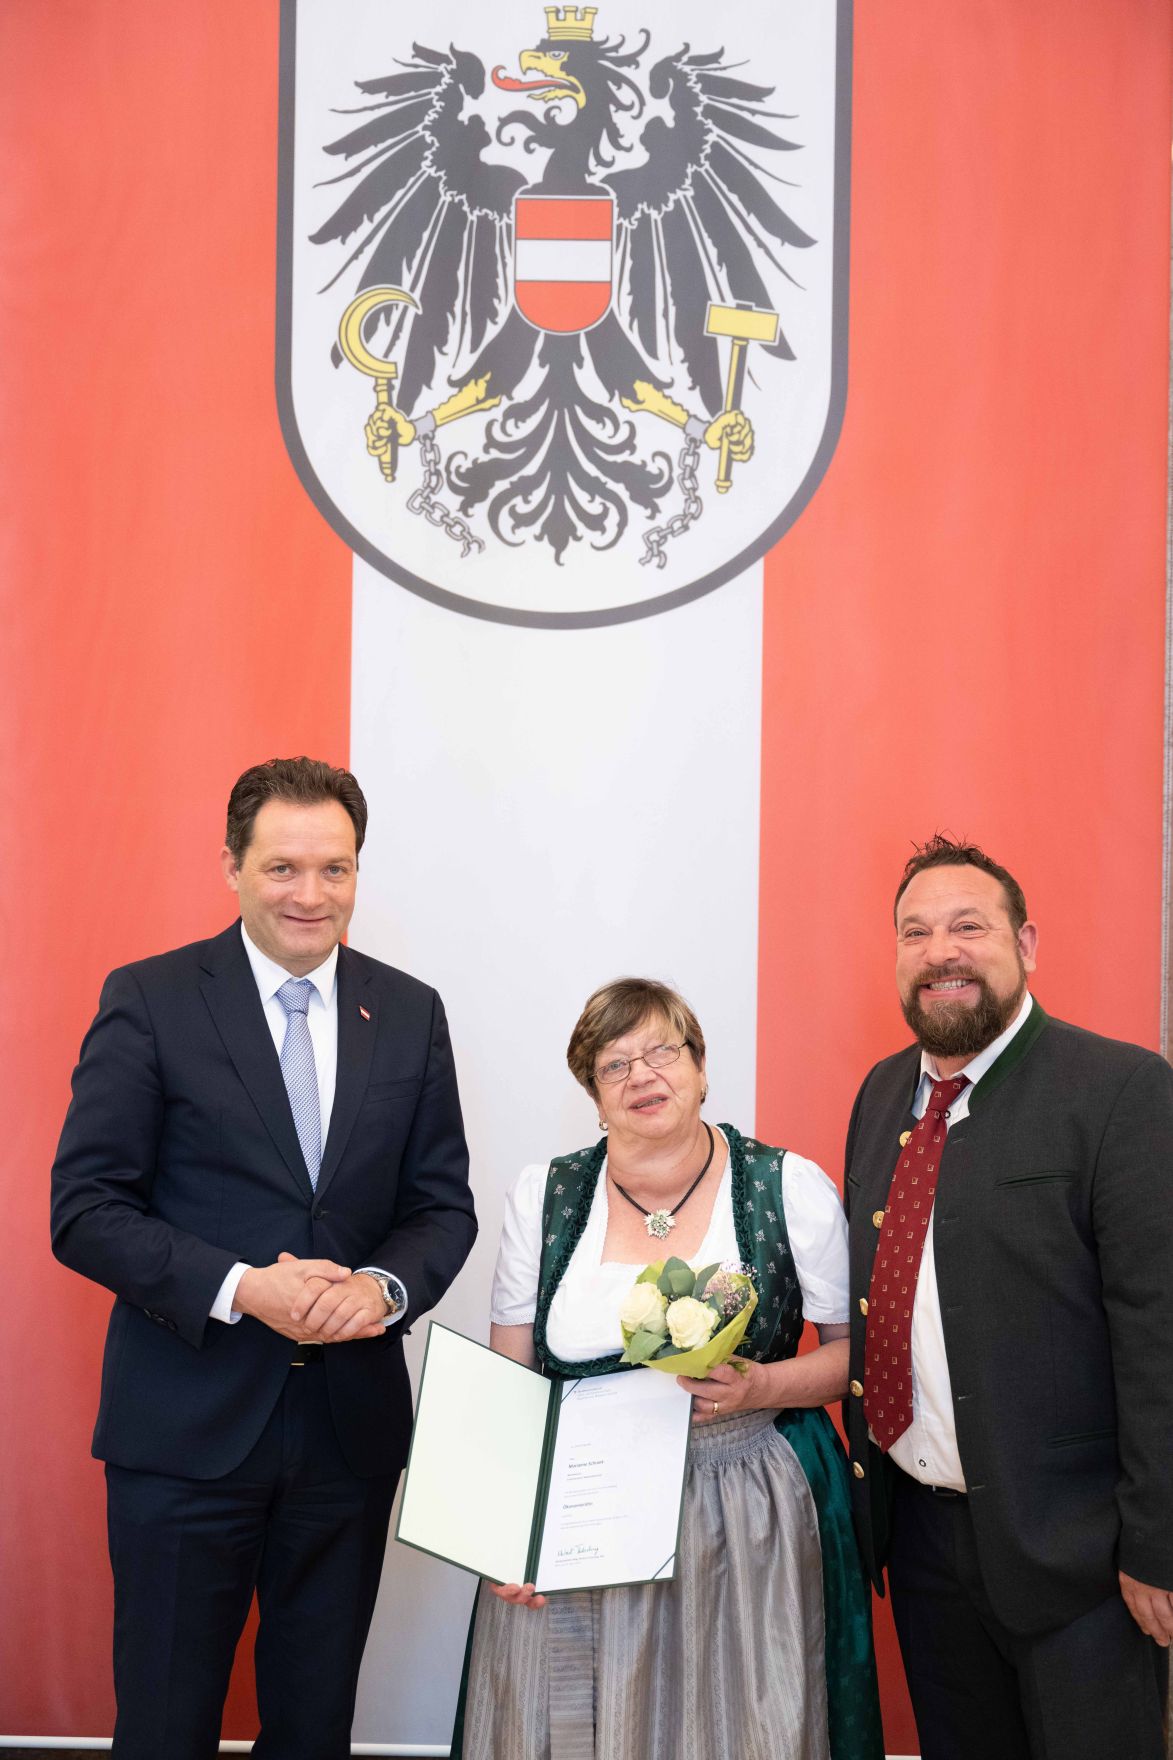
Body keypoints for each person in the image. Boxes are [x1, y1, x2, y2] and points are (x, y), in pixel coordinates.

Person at [51, 757, 476, 1760]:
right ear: (232, 867)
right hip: (185, 1433)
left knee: (315, 1728)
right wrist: (246, 1288)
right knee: (163, 1726)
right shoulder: (151, 998)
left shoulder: (409, 1011)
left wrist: (380, 1288)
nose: (311, 894)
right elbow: (85, 1207)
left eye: (336, 869)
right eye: (283, 866)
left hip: (347, 1434)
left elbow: (438, 1205)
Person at [453, 977, 883, 1760]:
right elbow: (509, 1375)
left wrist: (760, 1384)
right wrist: (499, 1532)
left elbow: (855, 1358)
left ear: (700, 1067)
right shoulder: (542, 1196)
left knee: (739, 1725)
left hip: (747, 1508)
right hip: (583, 1509)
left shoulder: (787, 1186)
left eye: (661, 1051)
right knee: (578, 1723)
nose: (642, 1076)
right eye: (613, 1065)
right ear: (592, 1093)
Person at [843, 834, 1173, 1760]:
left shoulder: (1120, 1091)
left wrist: (1158, 1542)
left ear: (1025, 944)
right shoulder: (879, 1096)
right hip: (920, 1539)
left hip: (1078, 1555)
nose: (940, 951)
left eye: (967, 927)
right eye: (915, 932)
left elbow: (1160, 1333)